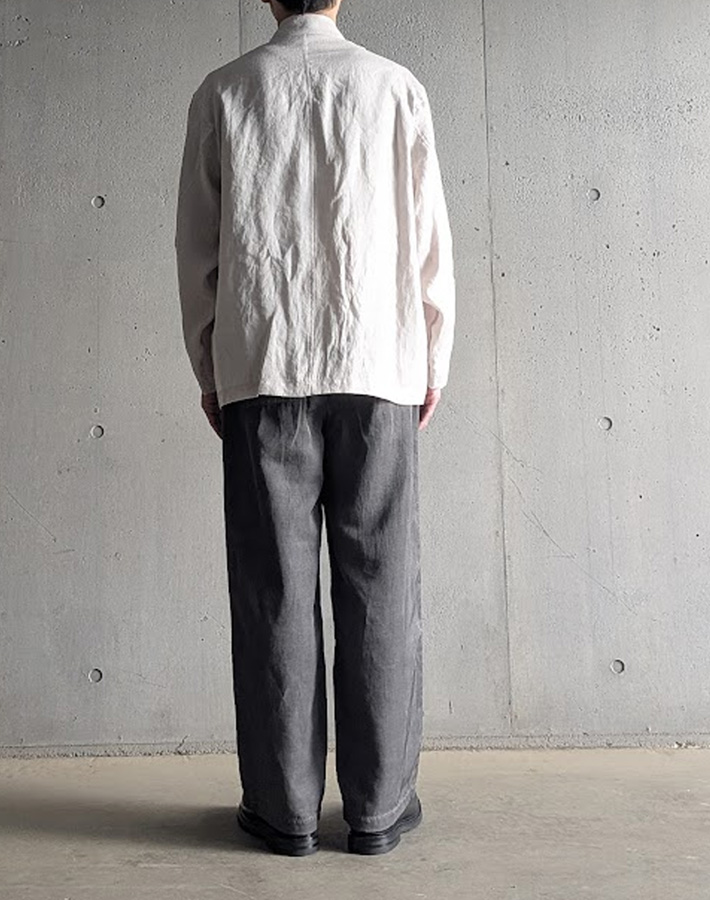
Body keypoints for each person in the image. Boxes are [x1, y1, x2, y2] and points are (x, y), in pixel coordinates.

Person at [174, 0, 455, 856]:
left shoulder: (225, 93)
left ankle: (284, 810)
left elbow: (198, 252)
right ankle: (378, 810)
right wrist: (432, 358)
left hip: (265, 367)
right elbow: (429, 243)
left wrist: (211, 366)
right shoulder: (395, 88)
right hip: (378, 366)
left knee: (273, 592)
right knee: (382, 585)